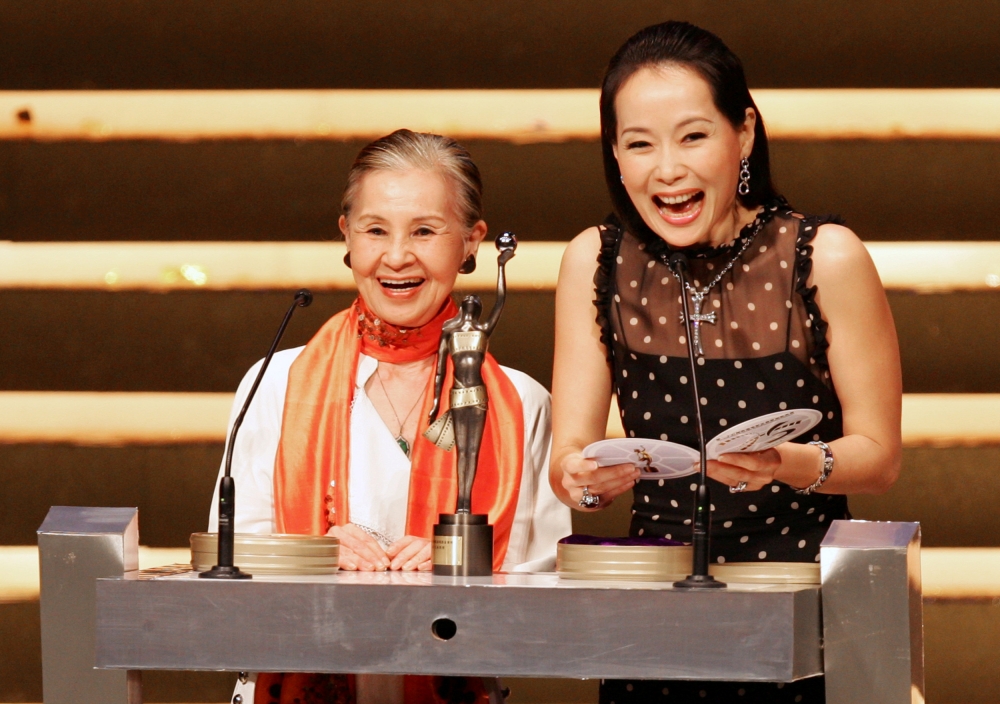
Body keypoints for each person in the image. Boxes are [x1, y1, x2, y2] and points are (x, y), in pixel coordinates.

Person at [549, 21, 901, 703]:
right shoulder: (594, 260)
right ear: (614, 155)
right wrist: (584, 479)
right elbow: (570, 460)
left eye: (692, 136)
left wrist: (787, 464)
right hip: (655, 619)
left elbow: (880, 458)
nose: (667, 169)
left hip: (799, 608)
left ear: (742, 134)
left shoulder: (823, 256)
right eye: (638, 144)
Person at [209, 129, 571, 704]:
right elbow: (228, 562)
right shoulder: (273, 384)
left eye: (425, 231)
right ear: (346, 236)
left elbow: (553, 592)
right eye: (376, 230)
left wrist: (468, 567)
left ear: (471, 242)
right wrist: (314, 555)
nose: (397, 256)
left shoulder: (521, 403)